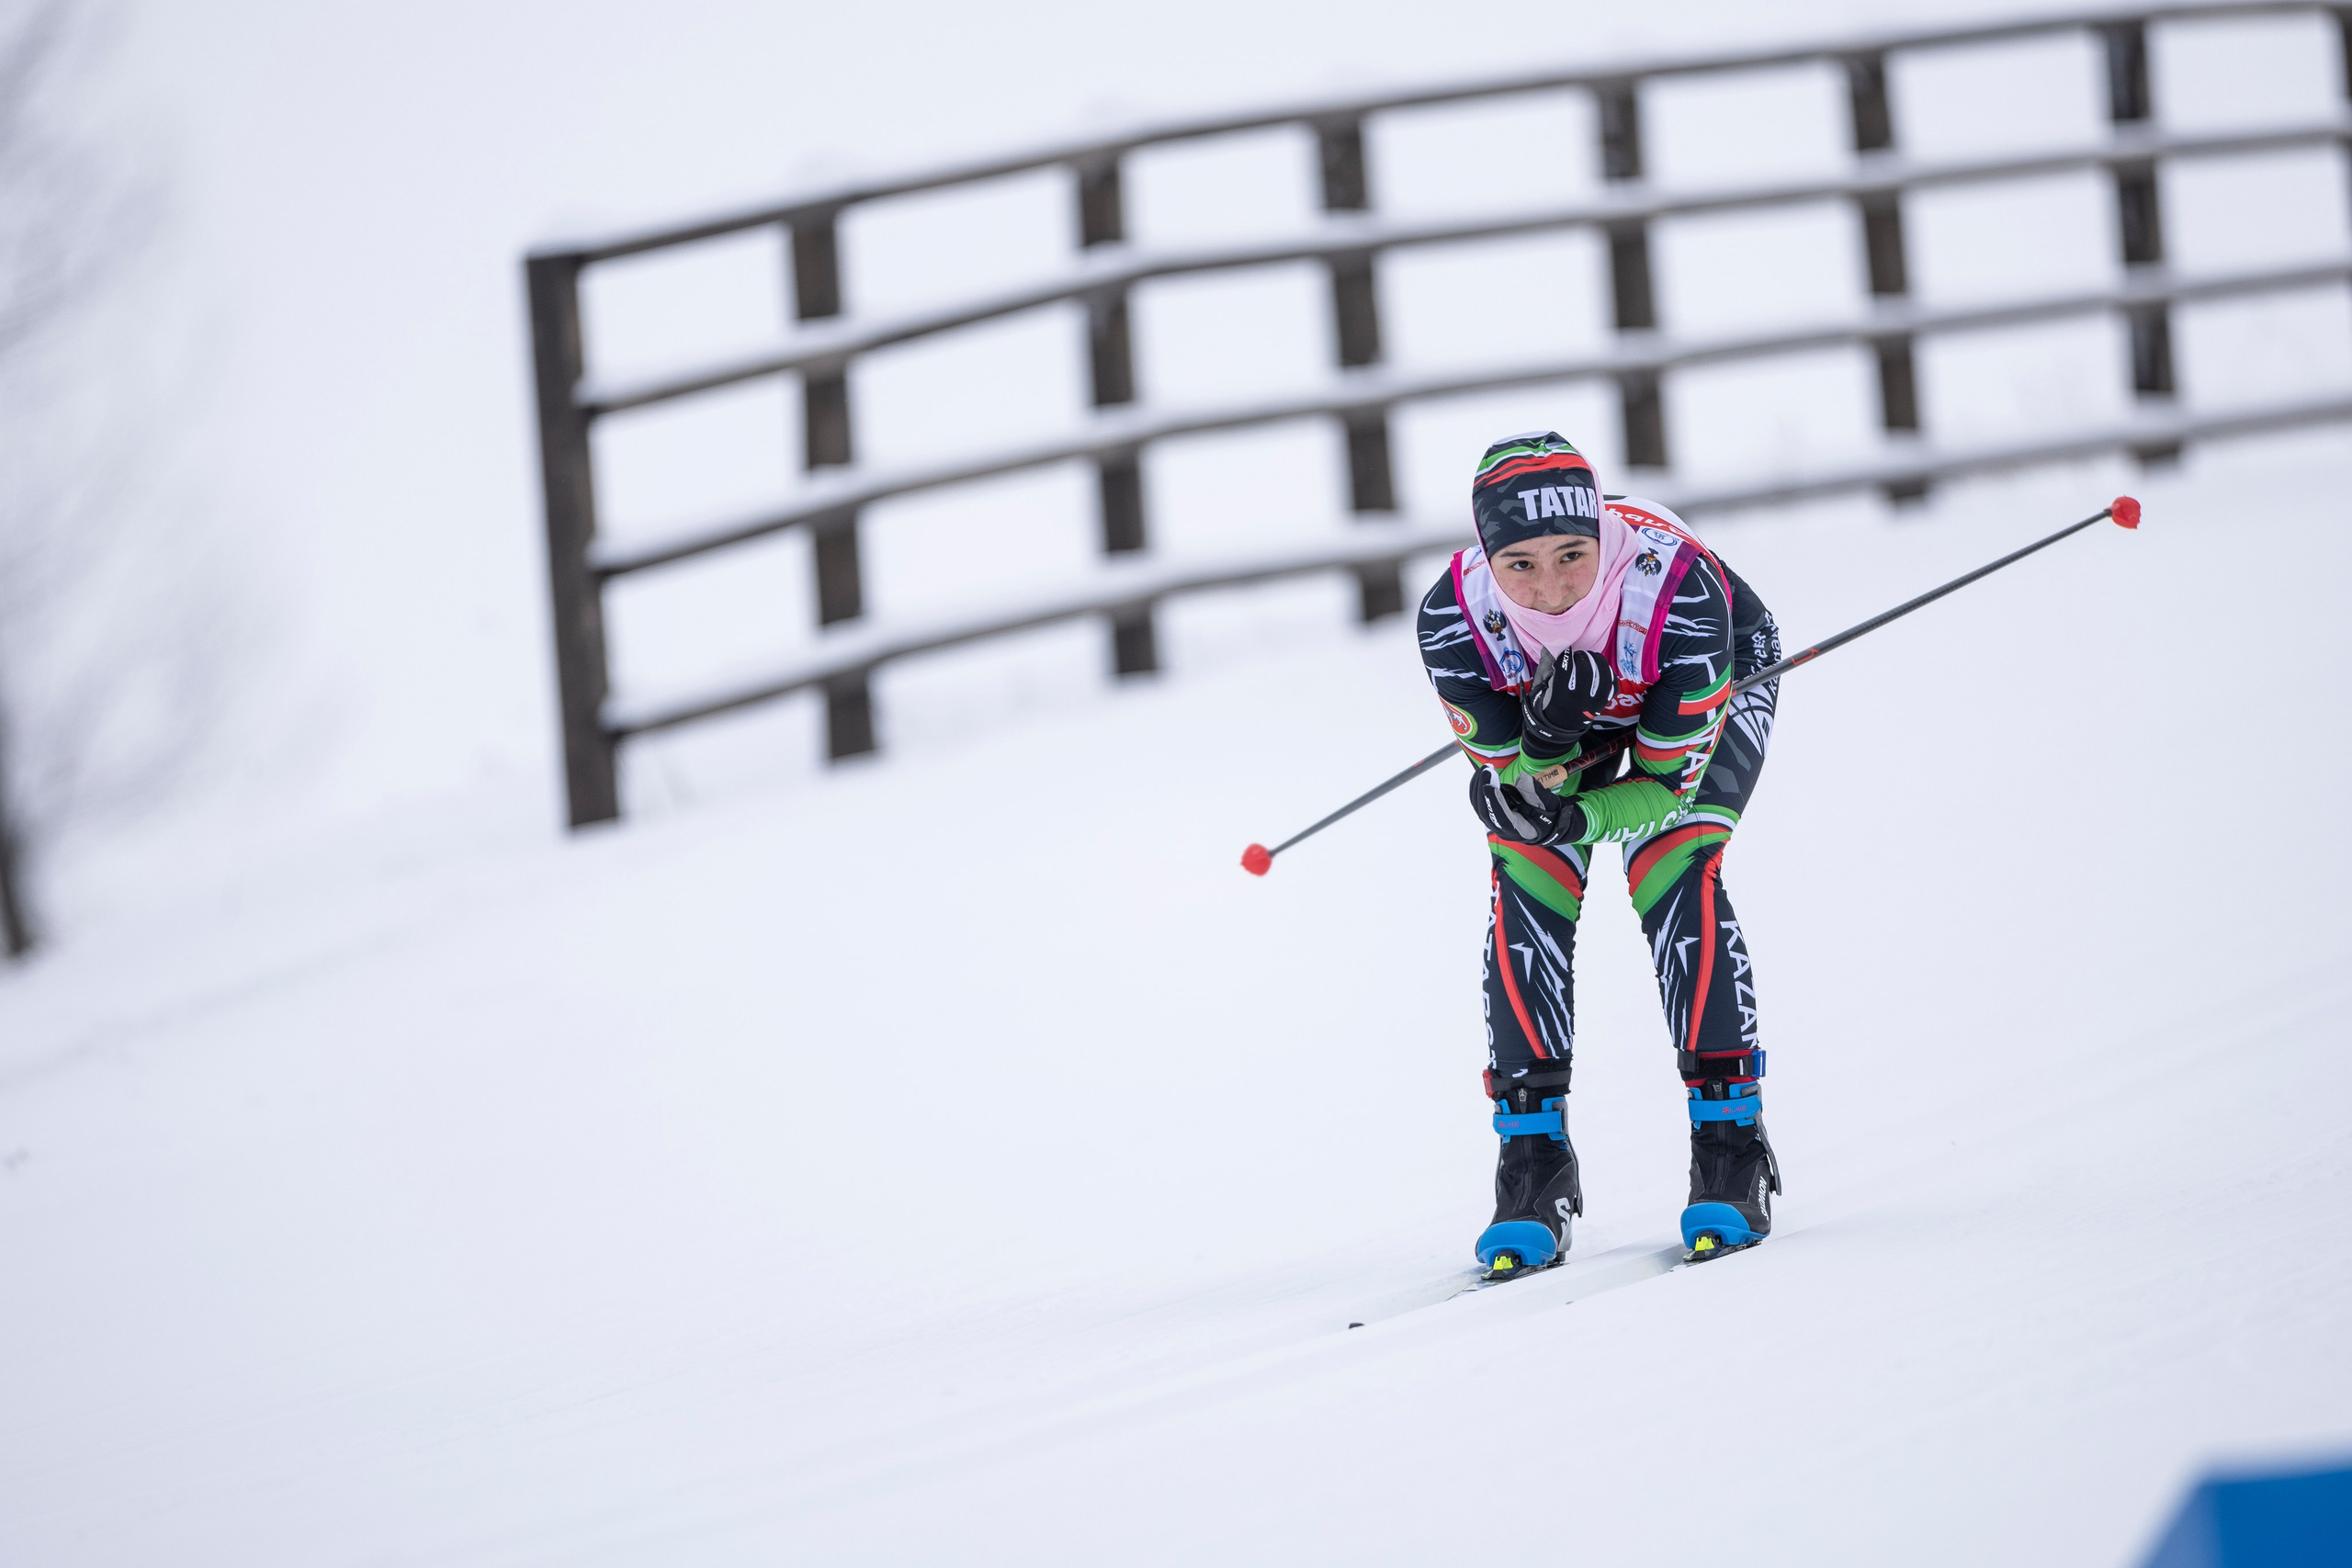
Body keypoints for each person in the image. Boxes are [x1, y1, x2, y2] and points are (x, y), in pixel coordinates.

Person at [1416, 431, 1783, 1274]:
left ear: (1601, 537)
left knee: (1669, 865)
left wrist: (1570, 811)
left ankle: (1732, 1145)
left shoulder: (1679, 592)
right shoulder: (1455, 619)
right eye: (1521, 566)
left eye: (1572, 556)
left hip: (1716, 664)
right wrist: (1544, 741)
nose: (1549, 590)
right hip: (1570, 709)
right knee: (1528, 873)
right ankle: (1531, 1164)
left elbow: (1659, 787)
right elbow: (1527, 796)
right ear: (1486, 558)